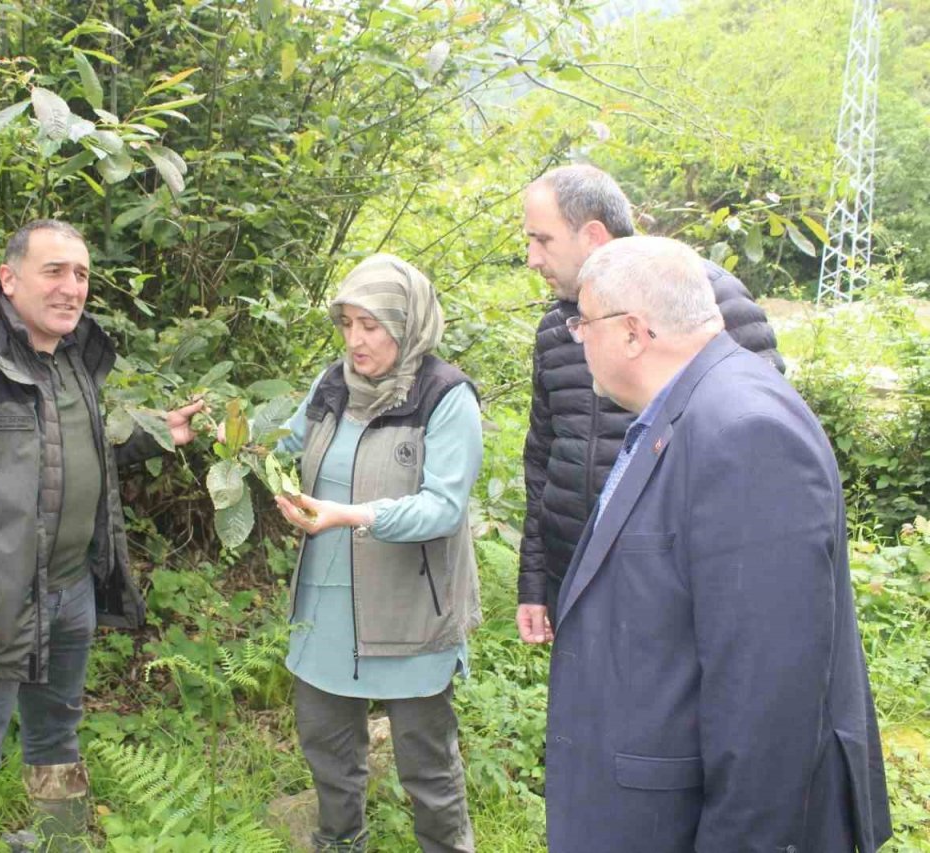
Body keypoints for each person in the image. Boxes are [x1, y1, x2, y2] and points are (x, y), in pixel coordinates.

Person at [544, 235, 891, 852]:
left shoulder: (743, 430)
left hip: (686, 819)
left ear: (631, 332)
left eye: (583, 323)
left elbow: (768, 692)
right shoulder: (684, 409)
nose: (577, 337)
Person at [0, 219, 205, 851]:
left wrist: (153, 436)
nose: (71, 288)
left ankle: (62, 844)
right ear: (9, 280)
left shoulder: (73, 355)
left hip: (69, 591)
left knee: (58, 732)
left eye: (82, 274)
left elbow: (66, 454)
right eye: (53, 271)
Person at [517, 164, 784, 644]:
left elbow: (760, 450)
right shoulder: (559, 327)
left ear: (593, 235)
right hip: (573, 577)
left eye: (543, 240)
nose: (532, 258)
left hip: (671, 588)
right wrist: (535, 581)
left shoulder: (707, 303)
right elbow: (543, 456)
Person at [272, 253, 483, 853]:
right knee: (329, 755)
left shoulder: (446, 395)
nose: (355, 340)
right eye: (346, 324)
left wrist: (352, 516)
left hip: (409, 608)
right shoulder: (331, 383)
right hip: (326, 604)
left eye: (371, 325)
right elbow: (281, 440)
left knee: (428, 771)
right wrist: (218, 431)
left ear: (408, 323)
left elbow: (443, 507)